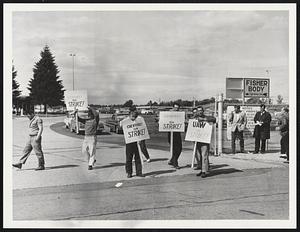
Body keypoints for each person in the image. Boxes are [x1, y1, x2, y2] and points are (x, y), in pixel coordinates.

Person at [73, 106, 99, 170]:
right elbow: (78, 119)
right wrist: (75, 112)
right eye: (88, 114)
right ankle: (92, 160)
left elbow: (96, 115)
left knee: (92, 151)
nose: (88, 115)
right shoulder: (86, 120)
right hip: (86, 137)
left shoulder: (95, 120)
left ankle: (90, 165)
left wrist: (91, 108)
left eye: (90, 113)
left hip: (92, 137)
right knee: (84, 151)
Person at [120, 106, 144, 178]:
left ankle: (139, 172)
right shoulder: (126, 120)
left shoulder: (140, 119)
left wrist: (141, 139)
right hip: (129, 141)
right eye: (132, 112)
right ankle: (129, 172)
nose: (134, 113)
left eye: (135, 112)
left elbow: (143, 129)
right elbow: (121, 124)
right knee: (129, 158)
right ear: (130, 113)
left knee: (138, 157)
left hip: (137, 140)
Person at [193, 106, 216, 178]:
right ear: (196, 111)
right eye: (198, 111)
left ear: (203, 111)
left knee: (204, 155)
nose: (199, 112)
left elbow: (214, 119)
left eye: (201, 111)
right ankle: (202, 169)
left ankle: (204, 171)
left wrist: (203, 119)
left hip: (204, 140)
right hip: (197, 140)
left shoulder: (207, 117)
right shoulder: (194, 118)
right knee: (199, 156)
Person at [167, 103, 182, 169]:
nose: (176, 110)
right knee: (174, 148)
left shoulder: (180, 114)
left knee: (179, 148)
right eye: (175, 108)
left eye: (177, 108)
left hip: (177, 132)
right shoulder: (169, 113)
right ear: (173, 108)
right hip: (171, 132)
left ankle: (172, 160)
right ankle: (175, 163)